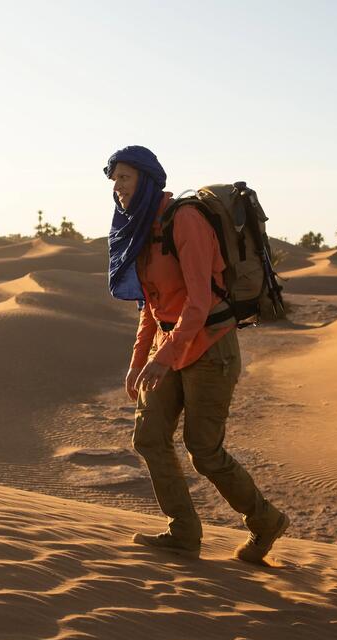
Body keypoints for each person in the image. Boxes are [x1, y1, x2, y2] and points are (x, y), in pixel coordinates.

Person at [103, 145, 288, 564]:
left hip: (210, 346)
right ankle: (183, 531)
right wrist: (138, 362)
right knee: (148, 438)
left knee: (203, 449)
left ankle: (266, 521)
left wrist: (162, 357)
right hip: (169, 346)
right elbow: (151, 305)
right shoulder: (140, 228)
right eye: (114, 180)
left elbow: (199, 302)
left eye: (125, 178)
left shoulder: (183, 219)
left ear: (147, 180)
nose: (118, 188)